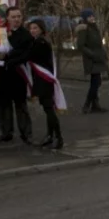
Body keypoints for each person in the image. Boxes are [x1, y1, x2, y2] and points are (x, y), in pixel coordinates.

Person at [0, 6, 33, 143]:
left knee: (20, 105)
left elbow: (24, 54)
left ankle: (26, 133)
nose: (16, 19)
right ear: (7, 18)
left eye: (19, 16)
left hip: (16, 75)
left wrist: (6, 57)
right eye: (13, 17)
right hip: (1, 76)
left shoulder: (25, 35)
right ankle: (6, 132)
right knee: (3, 105)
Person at [28, 19, 66, 150]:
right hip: (41, 80)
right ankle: (50, 135)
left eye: (35, 28)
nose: (33, 30)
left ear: (41, 29)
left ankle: (58, 138)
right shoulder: (37, 41)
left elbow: (29, 56)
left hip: (45, 80)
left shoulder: (41, 43)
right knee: (47, 108)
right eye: (31, 28)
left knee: (49, 109)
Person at [75, 9, 109, 114]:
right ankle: (87, 104)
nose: (92, 18)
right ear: (85, 18)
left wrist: (102, 53)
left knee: (97, 82)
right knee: (95, 82)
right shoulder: (84, 28)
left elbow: (98, 43)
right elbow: (80, 45)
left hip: (98, 58)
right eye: (89, 16)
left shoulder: (94, 28)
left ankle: (95, 105)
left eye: (92, 16)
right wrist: (92, 54)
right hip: (91, 59)